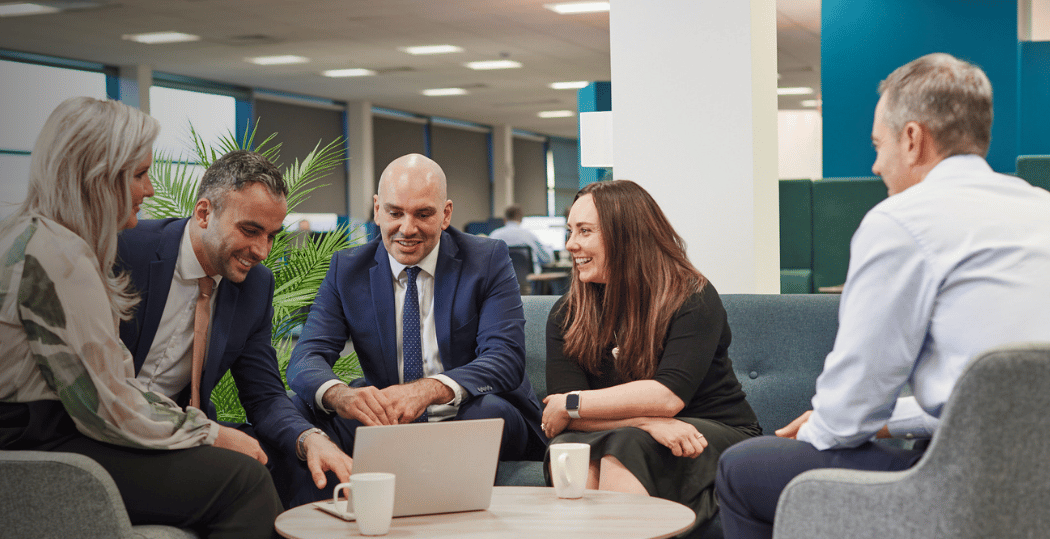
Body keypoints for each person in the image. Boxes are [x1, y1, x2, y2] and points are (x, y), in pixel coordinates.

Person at [715, 53, 1050, 539]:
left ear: (912, 139)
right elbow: (1000, 392)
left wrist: (824, 426)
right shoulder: (1041, 208)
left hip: (965, 490)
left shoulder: (903, 221)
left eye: (878, 145)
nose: (876, 164)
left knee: (743, 467)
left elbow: (848, 415)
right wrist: (891, 422)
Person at [0, 97, 283, 538]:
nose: (151, 190)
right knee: (244, 481)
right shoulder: (58, 257)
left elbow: (110, 382)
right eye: (139, 175)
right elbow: (106, 405)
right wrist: (212, 435)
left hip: (24, 434)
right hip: (24, 450)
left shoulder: (29, 236)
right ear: (97, 177)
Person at [287, 153, 548, 503]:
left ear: (446, 214)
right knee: (297, 409)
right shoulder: (347, 270)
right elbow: (307, 357)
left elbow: (505, 358)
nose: (407, 228)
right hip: (388, 421)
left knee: (486, 414)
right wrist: (341, 395)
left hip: (470, 409)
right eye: (395, 213)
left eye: (423, 214)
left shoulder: (486, 259)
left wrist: (426, 390)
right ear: (377, 209)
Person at [116, 150, 351, 509]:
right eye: (250, 230)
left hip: (186, 437)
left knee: (303, 464)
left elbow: (264, 394)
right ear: (204, 213)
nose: (262, 251)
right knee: (246, 482)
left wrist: (310, 439)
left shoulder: (256, 285)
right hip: (111, 425)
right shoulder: (125, 248)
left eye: (271, 236)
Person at [541, 179, 761, 534]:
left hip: (709, 429)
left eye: (584, 231)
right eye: (570, 231)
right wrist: (646, 422)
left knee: (628, 444)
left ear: (625, 236)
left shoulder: (692, 297)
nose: (571, 245)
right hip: (644, 430)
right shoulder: (568, 313)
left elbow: (666, 397)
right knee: (570, 448)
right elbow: (563, 418)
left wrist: (575, 404)